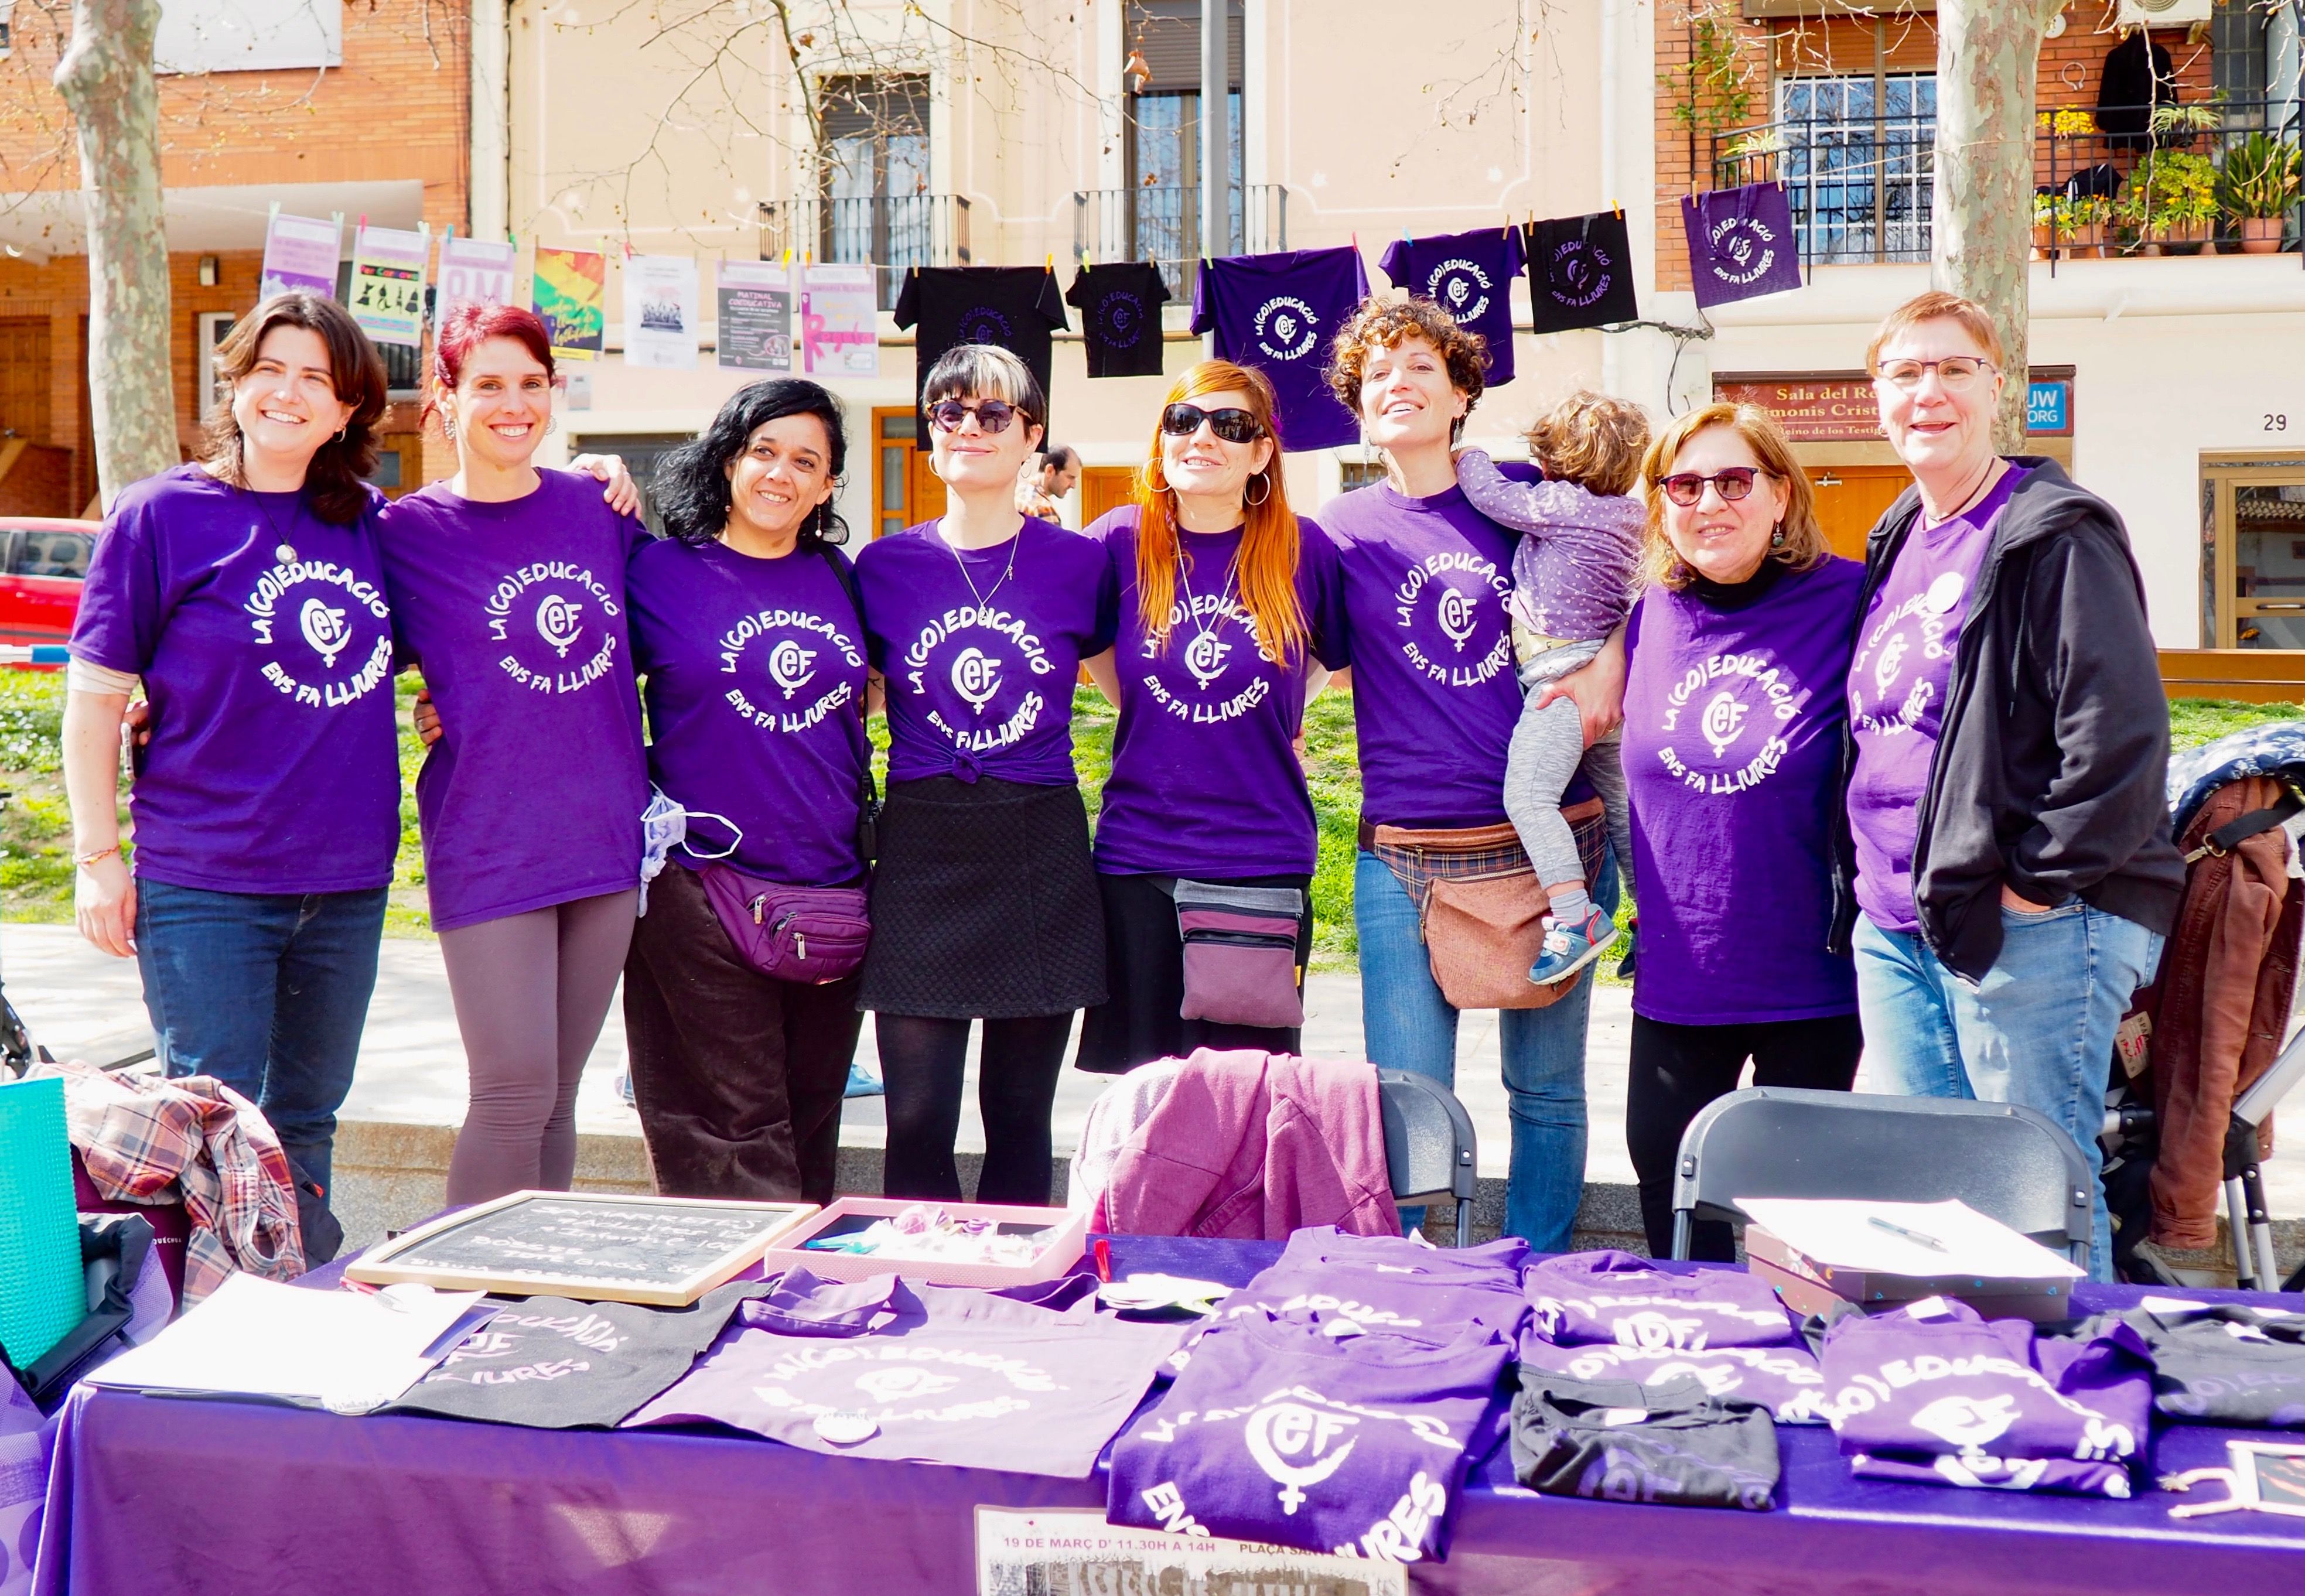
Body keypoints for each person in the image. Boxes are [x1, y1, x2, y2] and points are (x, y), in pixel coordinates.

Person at [1842, 289, 2183, 1277]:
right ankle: (1981, 1399)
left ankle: (2082, 1406)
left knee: (2037, 1190)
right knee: (1924, 1191)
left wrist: (2032, 886)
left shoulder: (2053, 531)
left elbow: (2118, 739)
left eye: (1954, 369)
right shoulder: (1902, 530)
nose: (1928, 392)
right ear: (1877, 396)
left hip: (2030, 919)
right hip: (1902, 923)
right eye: (1905, 372)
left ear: (1998, 387)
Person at [63, 291, 398, 1216]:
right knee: (213, 1125)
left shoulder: (375, 526)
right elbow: (92, 706)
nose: (287, 394)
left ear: (348, 409)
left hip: (346, 882)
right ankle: (208, 1335)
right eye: (269, 369)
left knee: (307, 1120)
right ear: (237, 382)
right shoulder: (161, 516)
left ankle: (300, 1315)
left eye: (315, 379)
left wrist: (600, 476)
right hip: (205, 883)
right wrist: (97, 860)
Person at [1317, 296, 1619, 1251]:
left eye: (1418, 369)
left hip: (1552, 846)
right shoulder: (1340, 529)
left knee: (1547, 1090)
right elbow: (1300, 660)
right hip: (1401, 857)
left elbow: (1645, 574)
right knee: (1406, 1093)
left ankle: (1535, 1263)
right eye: (1376, 376)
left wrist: (1613, 658)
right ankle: (1419, 1273)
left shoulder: (1533, 499)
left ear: (1460, 395)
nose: (1396, 385)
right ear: (1358, 407)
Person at [380, 303, 650, 1207]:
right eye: (488, 385)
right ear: (445, 400)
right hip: (490, 839)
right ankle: (462, 1311)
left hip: (605, 836)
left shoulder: (596, 506)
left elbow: (678, 623)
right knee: (510, 1094)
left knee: (560, 1099)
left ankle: (530, 1300)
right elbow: (329, 639)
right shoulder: (403, 534)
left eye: (531, 385)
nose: (513, 405)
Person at [855, 344, 1119, 1204]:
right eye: (949, 413)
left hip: (1036, 849)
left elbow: (1134, 699)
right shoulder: (882, 569)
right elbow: (843, 702)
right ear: (930, 432)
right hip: (922, 847)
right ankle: (913, 1290)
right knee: (917, 1115)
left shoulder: (1078, 565)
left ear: (1030, 436)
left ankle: (1016, 1296)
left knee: (1018, 1114)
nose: (969, 427)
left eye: (993, 414)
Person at [1615, 402, 1866, 1259]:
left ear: (1781, 495)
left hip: (1815, 980)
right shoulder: (1645, 614)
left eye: (1732, 480)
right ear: (1658, 505)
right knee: (1676, 1228)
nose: (1707, 502)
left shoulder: (1847, 598)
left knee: (1798, 1243)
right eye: (1682, 484)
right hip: (1680, 980)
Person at [617, 380, 873, 1205]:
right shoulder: (656, 571)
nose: (779, 473)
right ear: (727, 458)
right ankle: (739, 1308)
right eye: (762, 450)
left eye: (806, 461)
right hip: (700, 883)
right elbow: (578, 679)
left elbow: (868, 691)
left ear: (828, 485)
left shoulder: (840, 575)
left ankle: (804, 1307)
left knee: (809, 1114)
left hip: (830, 886)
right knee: (732, 1124)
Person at [1077, 360, 1344, 1071]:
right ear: (1161, 439)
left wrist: (1282, 703)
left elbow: (1337, 658)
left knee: (1244, 1095)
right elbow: (1100, 654)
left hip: (1258, 861)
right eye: (1183, 420)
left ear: (1261, 453)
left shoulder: (1301, 548)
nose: (1203, 438)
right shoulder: (1118, 541)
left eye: (1231, 425)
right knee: (1141, 1099)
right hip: (1138, 860)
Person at [1456, 391, 1648, 985]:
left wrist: (1466, 454)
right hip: (1612, 686)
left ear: (1557, 459)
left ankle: (1574, 917)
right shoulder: (1632, 516)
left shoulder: (1560, 504)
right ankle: (1656, 920)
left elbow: (1487, 494)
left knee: (1528, 797)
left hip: (1560, 683)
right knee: (1624, 811)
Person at [1017, 444, 1079, 523]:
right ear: (1050, 471)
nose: (1074, 485)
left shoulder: (1018, 493)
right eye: (1070, 477)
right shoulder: (1042, 508)